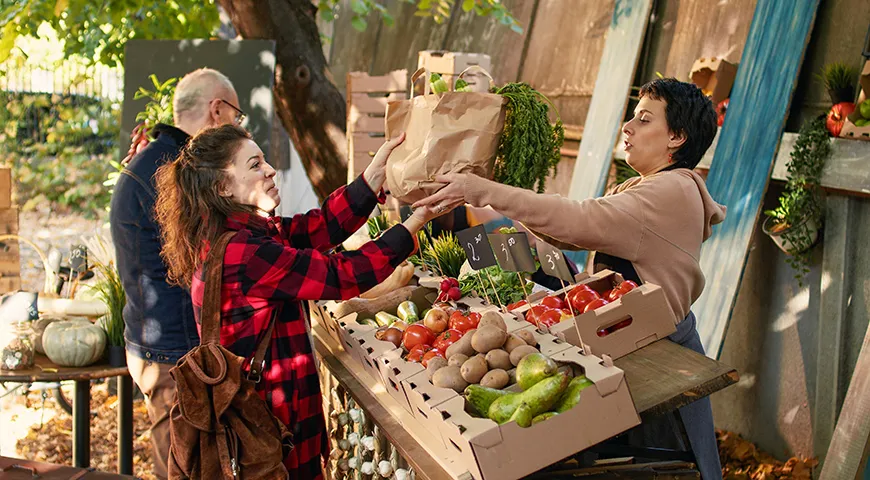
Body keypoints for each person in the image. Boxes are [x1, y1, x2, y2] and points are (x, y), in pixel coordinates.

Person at [414, 78, 727, 479]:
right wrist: (500, 238)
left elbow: (578, 220)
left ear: (677, 137)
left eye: (644, 120)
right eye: (631, 116)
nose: (627, 127)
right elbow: (573, 240)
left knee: (669, 467)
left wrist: (486, 190)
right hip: (625, 346)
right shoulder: (643, 185)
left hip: (657, 361)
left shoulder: (672, 191)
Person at [153, 125, 448, 479]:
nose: (270, 170)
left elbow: (319, 228)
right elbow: (341, 276)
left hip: (269, 422)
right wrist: (415, 222)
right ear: (223, 187)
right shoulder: (244, 253)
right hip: (273, 426)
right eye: (254, 164)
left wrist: (372, 178)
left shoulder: (237, 234)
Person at [109, 67, 247, 479]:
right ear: (217, 110)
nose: (238, 127)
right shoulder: (176, 169)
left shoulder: (159, 157)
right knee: (185, 467)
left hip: (161, 344)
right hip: (173, 352)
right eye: (237, 117)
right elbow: (218, 252)